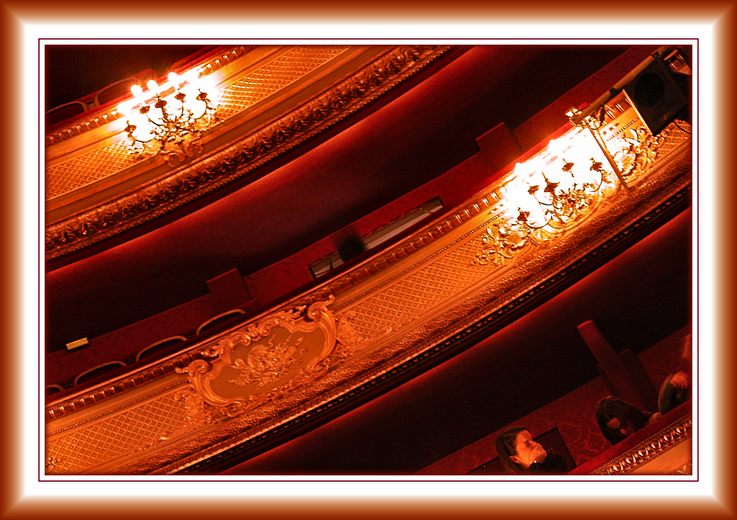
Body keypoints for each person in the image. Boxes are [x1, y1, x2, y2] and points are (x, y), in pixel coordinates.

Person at [495, 427, 568, 474]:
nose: (536, 444)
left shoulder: (554, 461)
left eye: (532, 440)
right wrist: (536, 464)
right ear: (515, 459)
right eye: (527, 444)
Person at [594, 396, 659, 445]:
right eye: (616, 431)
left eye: (623, 425)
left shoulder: (657, 422)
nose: (623, 432)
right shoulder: (621, 451)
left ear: (630, 415)